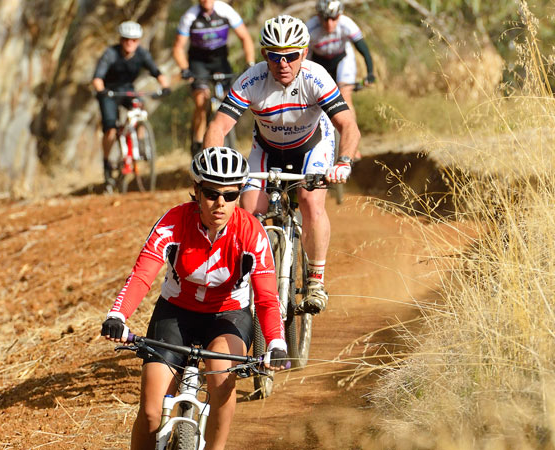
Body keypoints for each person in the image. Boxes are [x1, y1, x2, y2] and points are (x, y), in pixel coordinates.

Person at [101, 147, 287, 450]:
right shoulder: (174, 222)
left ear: (240, 195)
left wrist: (277, 343)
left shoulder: (252, 232)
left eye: (230, 195)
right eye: (212, 194)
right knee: (150, 412)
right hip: (176, 313)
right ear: (197, 192)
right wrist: (117, 316)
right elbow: (141, 276)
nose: (220, 203)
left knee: (220, 377)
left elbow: (267, 298)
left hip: (228, 316)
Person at [204, 15, 362, 313]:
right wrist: (213, 170)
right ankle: (248, 281)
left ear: (304, 52)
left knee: (310, 201)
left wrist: (343, 162)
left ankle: (315, 280)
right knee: (248, 211)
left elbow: (348, 126)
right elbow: (217, 127)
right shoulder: (252, 79)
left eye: (291, 55)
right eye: (275, 56)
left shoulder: (316, 77)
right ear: (265, 55)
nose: (283, 63)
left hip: (311, 146)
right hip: (266, 150)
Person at [93, 21, 170, 192]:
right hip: (109, 93)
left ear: (139, 41)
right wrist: (102, 91)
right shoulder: (110, 54)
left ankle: (140, 142)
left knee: (140, 111)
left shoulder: (142, 54)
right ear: (121, 40)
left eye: (134, 40)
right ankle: (107, 165)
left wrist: (165, 86)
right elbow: (97, 78)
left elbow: (157, 72)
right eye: (127, 39)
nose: (130, 43)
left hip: (127, 90)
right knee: (110, 129)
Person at [173, 0, 255, 156]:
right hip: (198, 62)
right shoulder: (190, 16)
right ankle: (197, 143)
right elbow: (178, 47)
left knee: (228, 100)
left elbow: (245, 37)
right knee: (201, 101)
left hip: (220, 60)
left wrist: (250, 62)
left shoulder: (225, 11)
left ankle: (227, 139)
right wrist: (184, 69)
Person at [307, 0, 375, 160]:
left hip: (342, 60)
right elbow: (302, 60)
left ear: (340, 15)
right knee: (315, 101)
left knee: (345, 98)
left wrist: (370, 73)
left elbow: (363, 50)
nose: (329, 23)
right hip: (318, 62)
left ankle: (352, 147)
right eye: (325, 19)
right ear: (318, 17)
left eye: (334, 18)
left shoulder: (347, 24)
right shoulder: (309, 28)